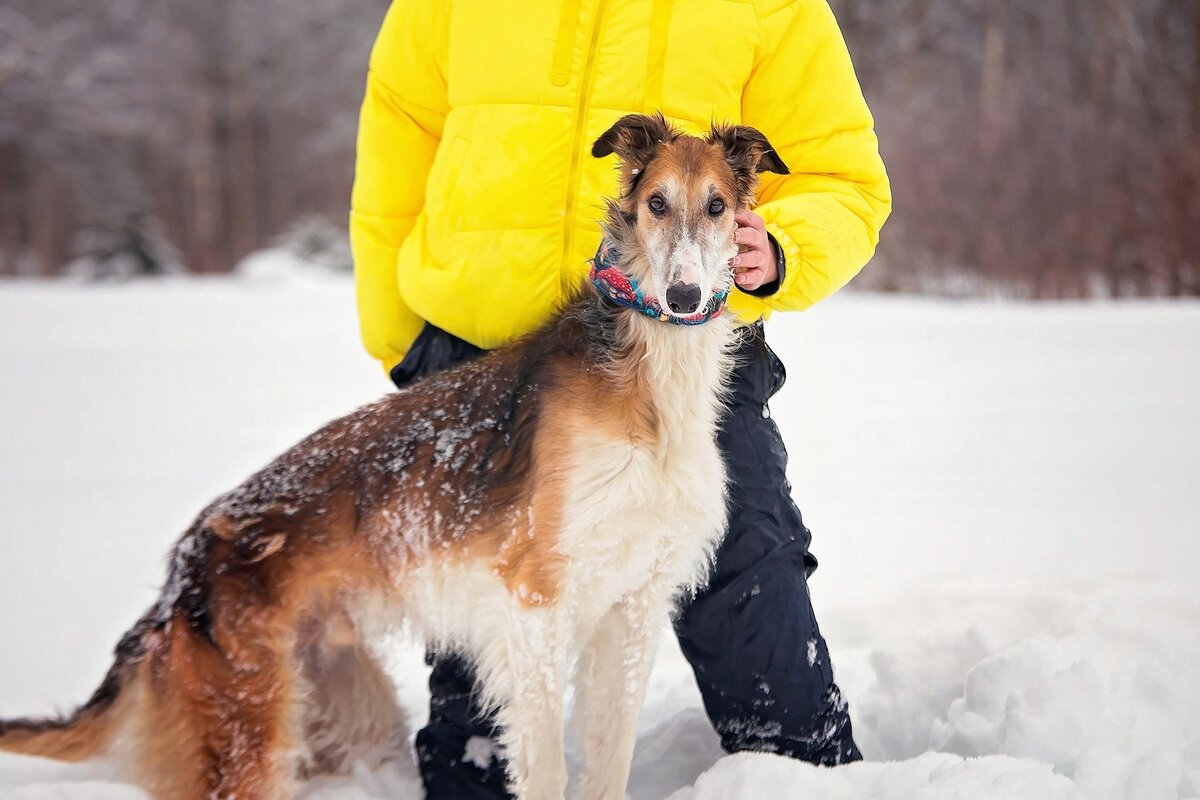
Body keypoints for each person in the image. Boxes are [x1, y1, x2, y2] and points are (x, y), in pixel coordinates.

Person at [350, 1, 891, 796]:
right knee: (486, 653)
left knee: (747, 583)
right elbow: (396, 146)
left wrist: (783, 248)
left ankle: (804, 779)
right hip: (480, 360)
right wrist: (406, 341)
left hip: (686, 356)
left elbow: (843, 177)